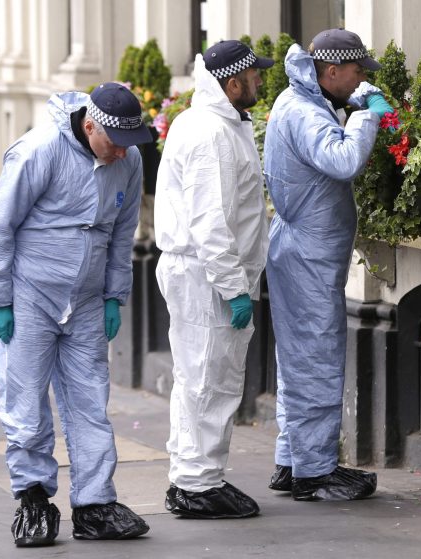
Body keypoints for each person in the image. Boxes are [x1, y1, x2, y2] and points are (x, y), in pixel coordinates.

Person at [0, 82, 152, 546]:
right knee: (26, 399)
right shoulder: (38, 151)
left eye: (128, 145)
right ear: (89, 124)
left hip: (88, 300)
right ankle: (33, 497)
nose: (121, 153)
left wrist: (115, 294)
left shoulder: (127, 160)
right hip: (31, 295)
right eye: (113, 143)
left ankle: (95, 503)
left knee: (90, 402)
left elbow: (123, 232)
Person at [263, 29, 394, 501]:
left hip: (302, 249)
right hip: (307, 255)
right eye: (357, 72)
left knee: (298, 361)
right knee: (315, 359)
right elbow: (341, 160)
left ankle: (291, 461)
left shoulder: (297, 101)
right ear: (331, 71)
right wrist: (365, 117)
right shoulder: (301, 110)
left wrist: (352, 111)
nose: (362, 79)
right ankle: (314, 474)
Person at [153, 40, 273, 519]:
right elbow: (211, 221)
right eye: (255, 77)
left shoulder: (215, 124)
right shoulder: (211, 134)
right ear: (232, 82)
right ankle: (199, 484)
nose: (261, 83)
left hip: (204, 273)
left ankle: (191, 478)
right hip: (208, 277)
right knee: (210, 378)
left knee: (197, 377)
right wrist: (234, 288)